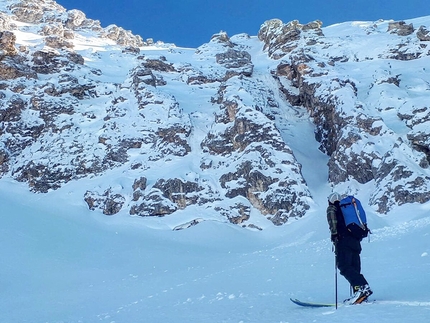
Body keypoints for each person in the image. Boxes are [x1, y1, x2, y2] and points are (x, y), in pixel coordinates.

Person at [327, 192, 373, 304]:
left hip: (343, 241)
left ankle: (362, 287)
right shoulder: (348, 208)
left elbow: (333, 223)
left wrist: (334, 235)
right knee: (354, 267)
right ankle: (360, 294)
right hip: (356, 242)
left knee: (344, 266)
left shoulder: (332, 208)